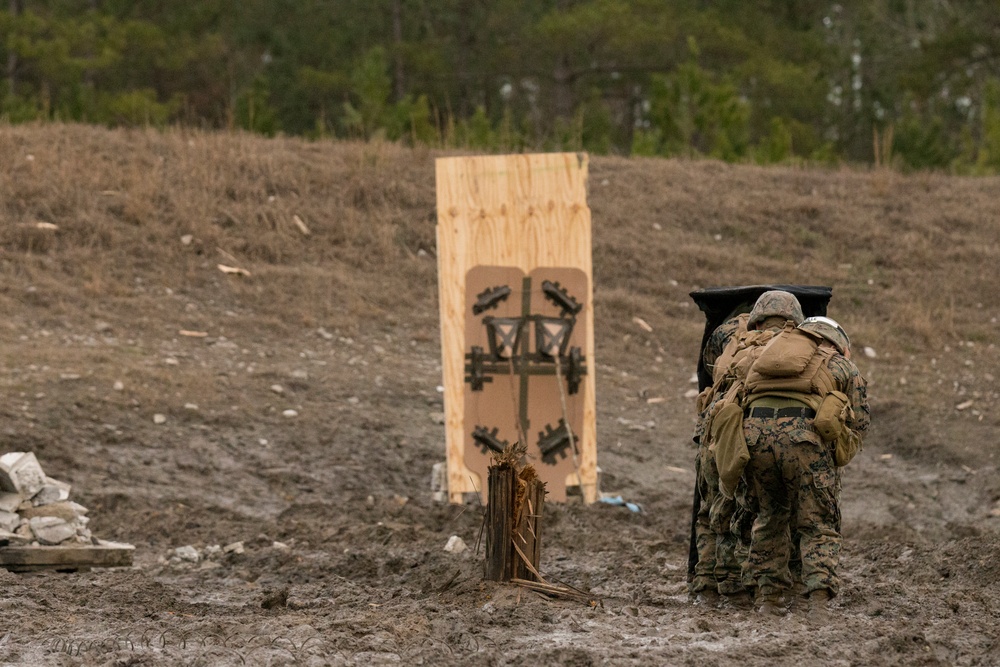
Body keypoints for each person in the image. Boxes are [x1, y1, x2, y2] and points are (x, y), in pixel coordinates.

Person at [737, 293, 870, 618]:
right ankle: (818, 603)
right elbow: (861, 421)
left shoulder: (766, 356)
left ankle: (768, 601)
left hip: (755, 437)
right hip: (803, 441)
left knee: (769, 518)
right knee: (816, 523)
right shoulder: (839, 363)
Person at [689, 313, 752, 605]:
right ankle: (733, 582)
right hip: (744, 431)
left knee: (709, 509)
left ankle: (705, 584)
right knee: (739, 507)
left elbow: (709, 367)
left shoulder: (725, 331)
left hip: (711, 427)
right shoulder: (785, 341)